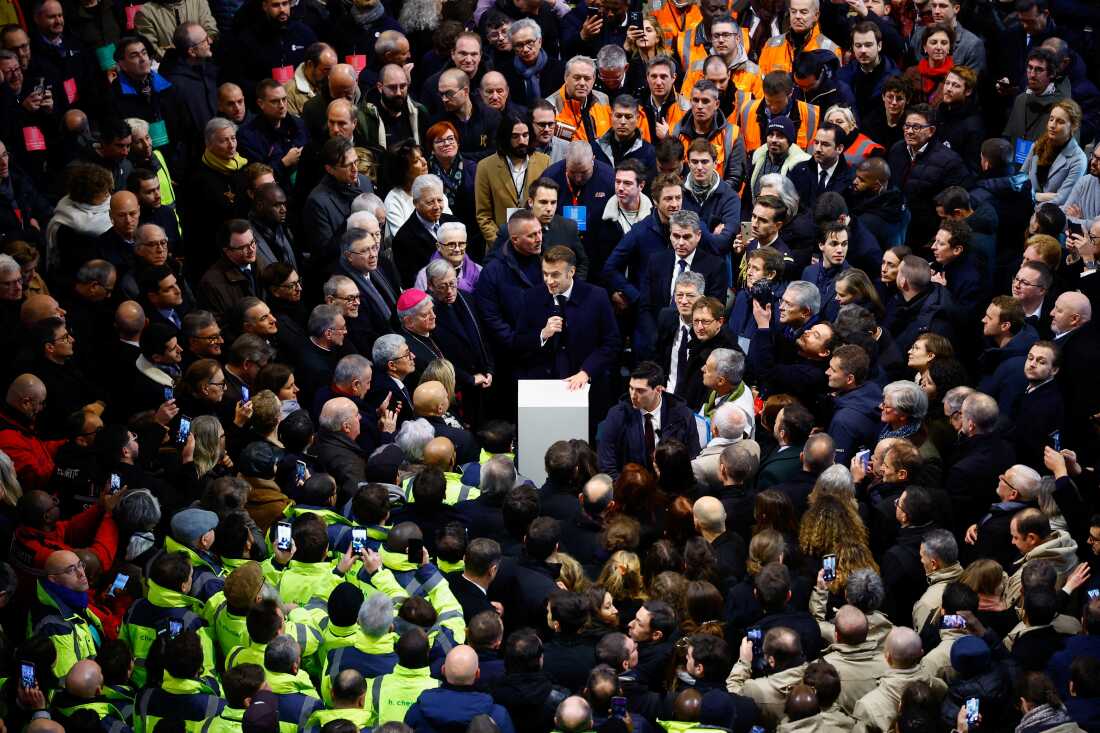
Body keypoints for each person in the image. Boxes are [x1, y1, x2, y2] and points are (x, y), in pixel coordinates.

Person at [598, 361, 701, 477]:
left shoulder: (683, 415)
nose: (633, 395)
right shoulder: (617, 415)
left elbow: (693, 459)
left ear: (658, 390)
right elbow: (606, 465)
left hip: (672, 487)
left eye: (640, 391)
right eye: (631, 388)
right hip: (631, 488)